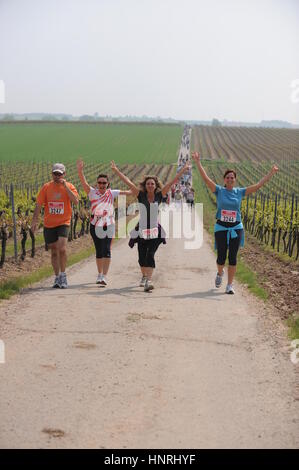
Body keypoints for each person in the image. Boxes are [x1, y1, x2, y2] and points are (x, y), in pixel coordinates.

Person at [192, 151, 278, 294]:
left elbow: (258, 185)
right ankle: (220, 273)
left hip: (236, 227)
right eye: (228, 177)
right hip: (221, 227)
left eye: (232, 177)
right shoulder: (219, 190)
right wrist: (198, 162)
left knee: (232, 256)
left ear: (235, 180)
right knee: (221, 256)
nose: (230, 179)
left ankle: (230, 285)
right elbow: (206, 180)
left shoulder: (240, 192)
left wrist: (271, 173)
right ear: (224, 180)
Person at [111, 160, 191, 292]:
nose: (150, 185)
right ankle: (144, 276)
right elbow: (128, 182)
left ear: (156, 185)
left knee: (150, 254)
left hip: (154, 230)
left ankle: (149, 280)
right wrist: (116, 171)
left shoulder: (160, 195)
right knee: (141, 257)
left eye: (152, 183)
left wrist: (183, 170)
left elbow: (173, 181)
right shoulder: (140, 195)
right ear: (145, 185)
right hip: (141, 229)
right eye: (148, 183)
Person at [77, 158, 132, 286]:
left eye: (104, 183)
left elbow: (131, 191)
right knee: (99, 251)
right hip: (95, 226)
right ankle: (99, 274)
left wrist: (119, 173)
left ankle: (104, 276)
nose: (102, 185)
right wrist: (80, 171)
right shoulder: (92, 193)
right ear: (97, 184)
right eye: (100, 182)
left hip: (109, 225)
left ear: (108, 184)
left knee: (107, 250)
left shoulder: (112, 193)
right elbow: (83, 182)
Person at [31, 163, 79, 288]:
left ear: (64, 174)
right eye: (55, 173)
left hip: (64, 222)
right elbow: (38, 205)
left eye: (60, 174)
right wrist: (34, 221)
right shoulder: (46, 187)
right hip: (49, 223)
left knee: (62, 249)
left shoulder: (70, 186)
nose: (57, 176)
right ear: (52, 174)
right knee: (53, 251)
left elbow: (76, 201)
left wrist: (66, 187)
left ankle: (63, 276)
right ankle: (57, 277)